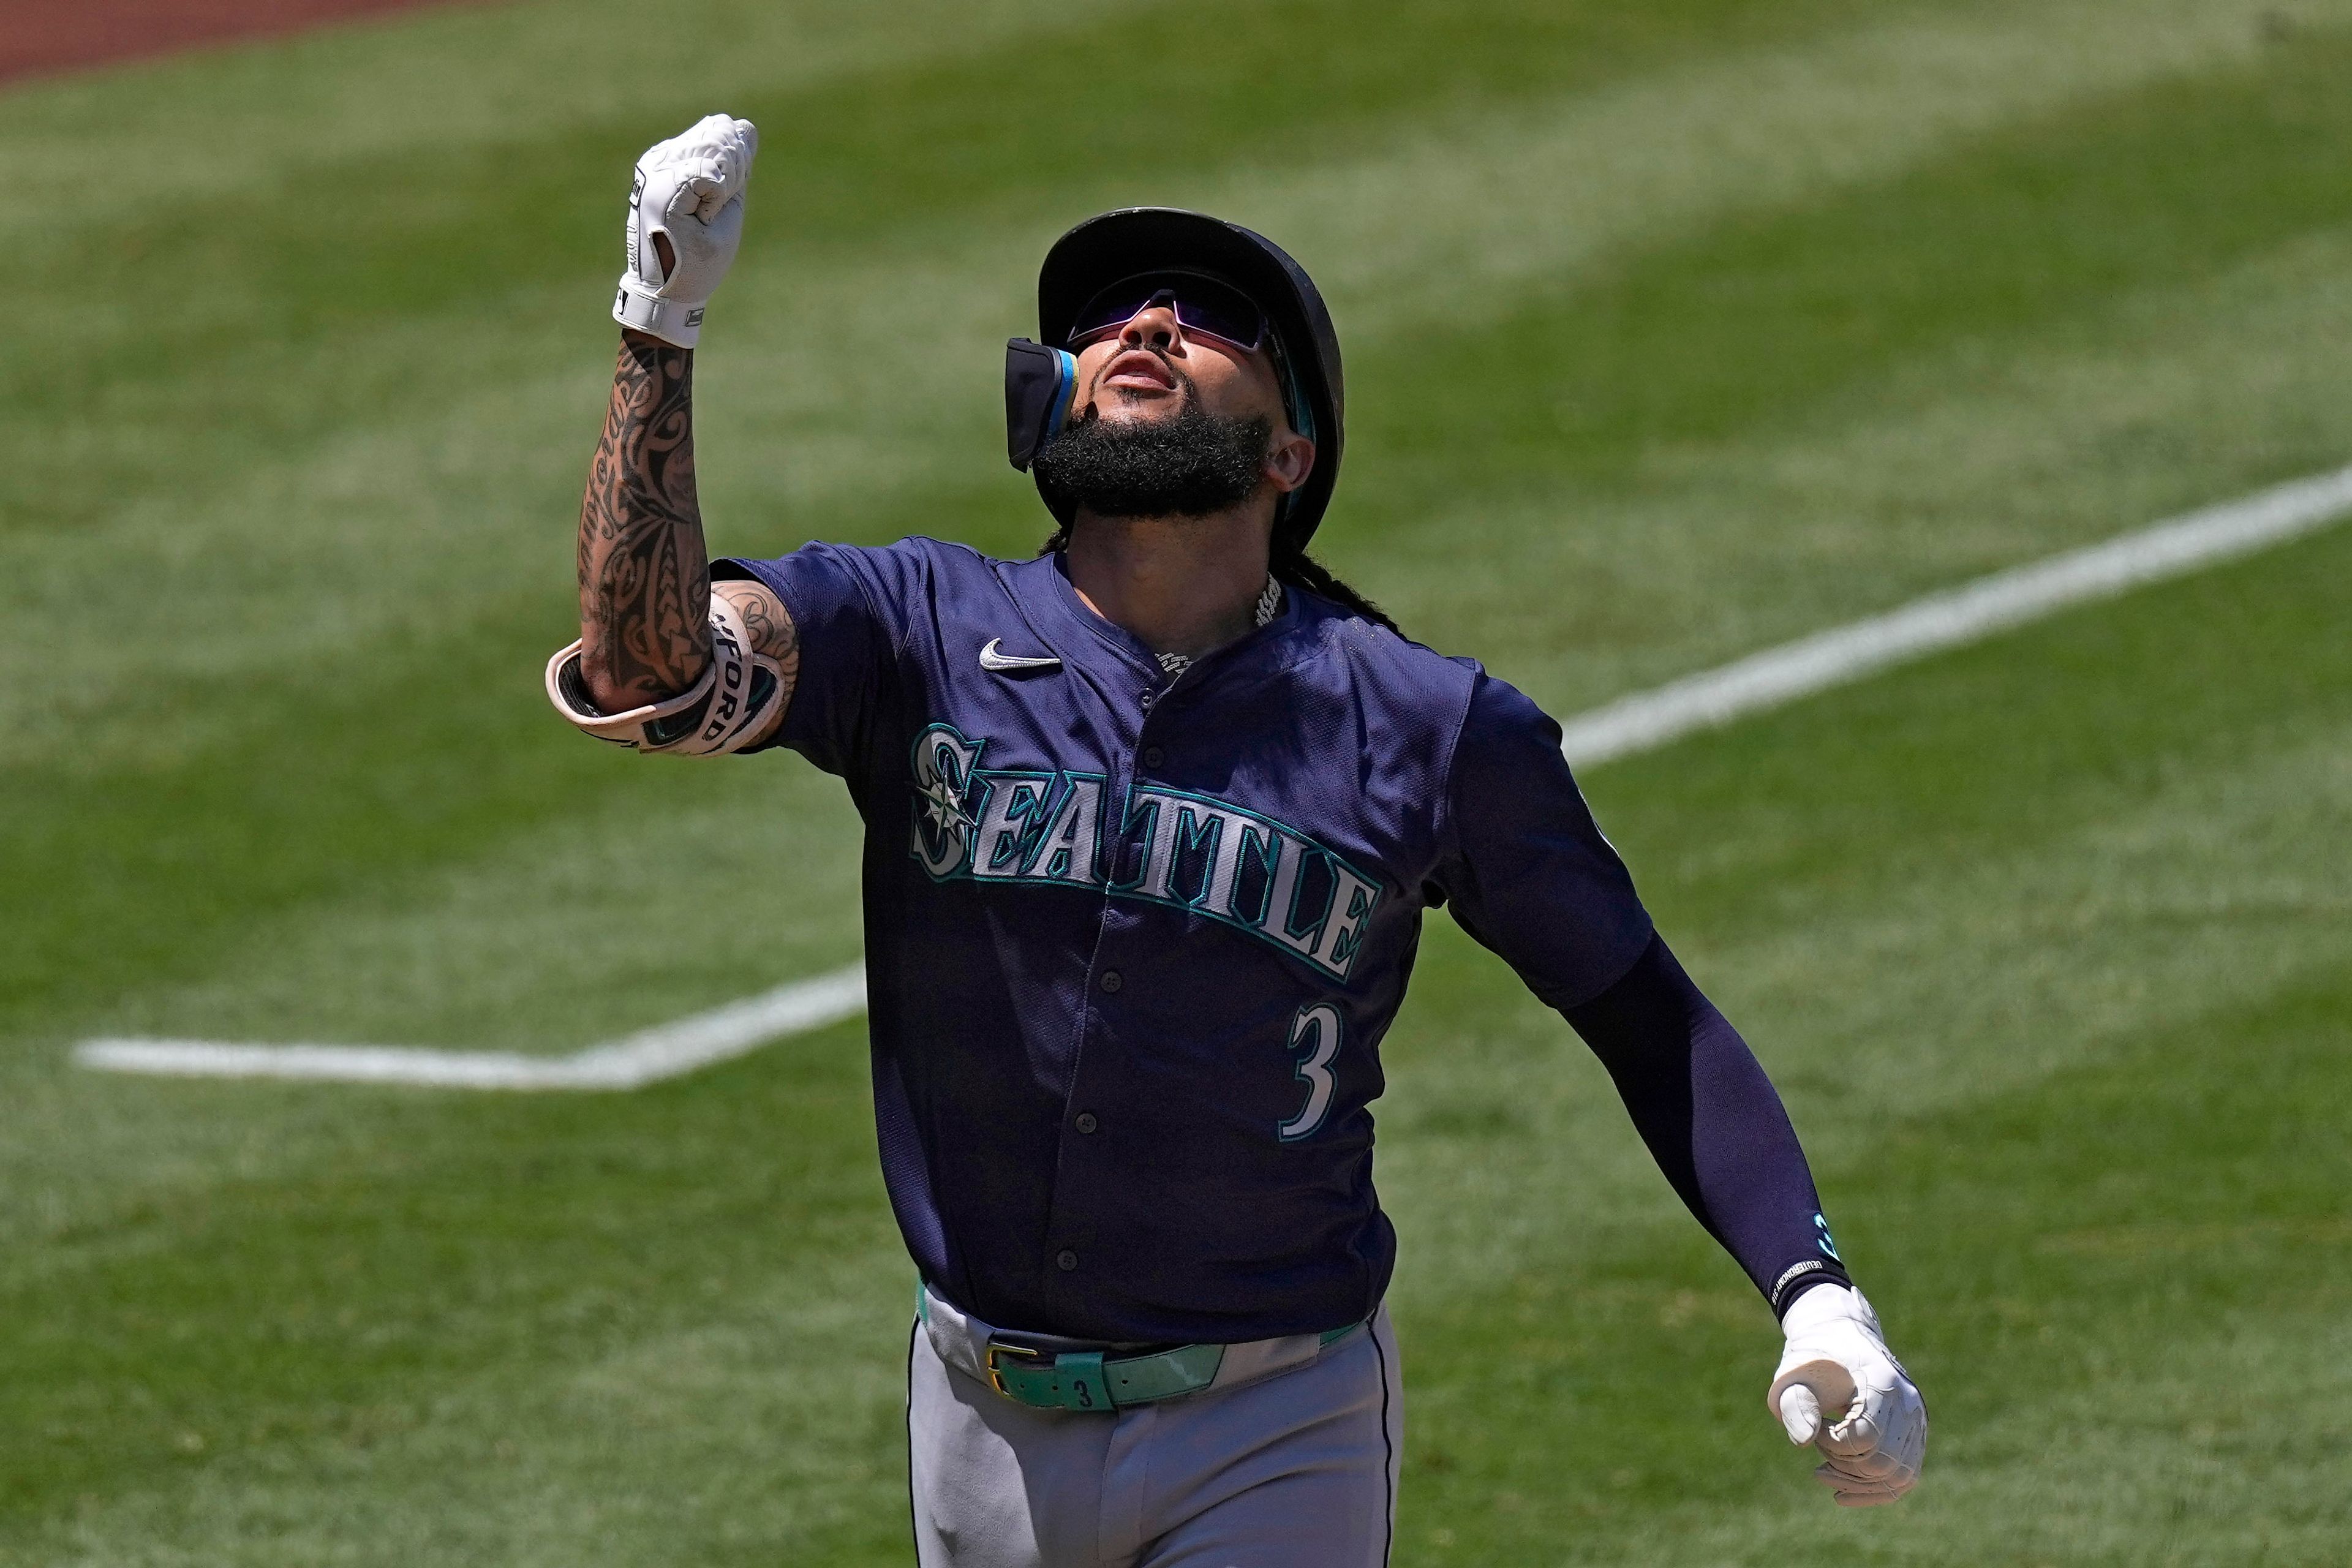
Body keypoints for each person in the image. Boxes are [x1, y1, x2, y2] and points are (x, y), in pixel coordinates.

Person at [548, 115, 1926, 1568]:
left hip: (1276, 1428)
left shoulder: (1425, 722)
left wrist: (1816, 1290)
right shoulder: (911, 631)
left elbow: (1642, 1010)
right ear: (1050, 407)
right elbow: (650, 671)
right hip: (978, 1416)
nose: (1145, 323)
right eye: (1105, 320)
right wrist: (660, 324)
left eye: (1212, 320)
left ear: (1291, 447)